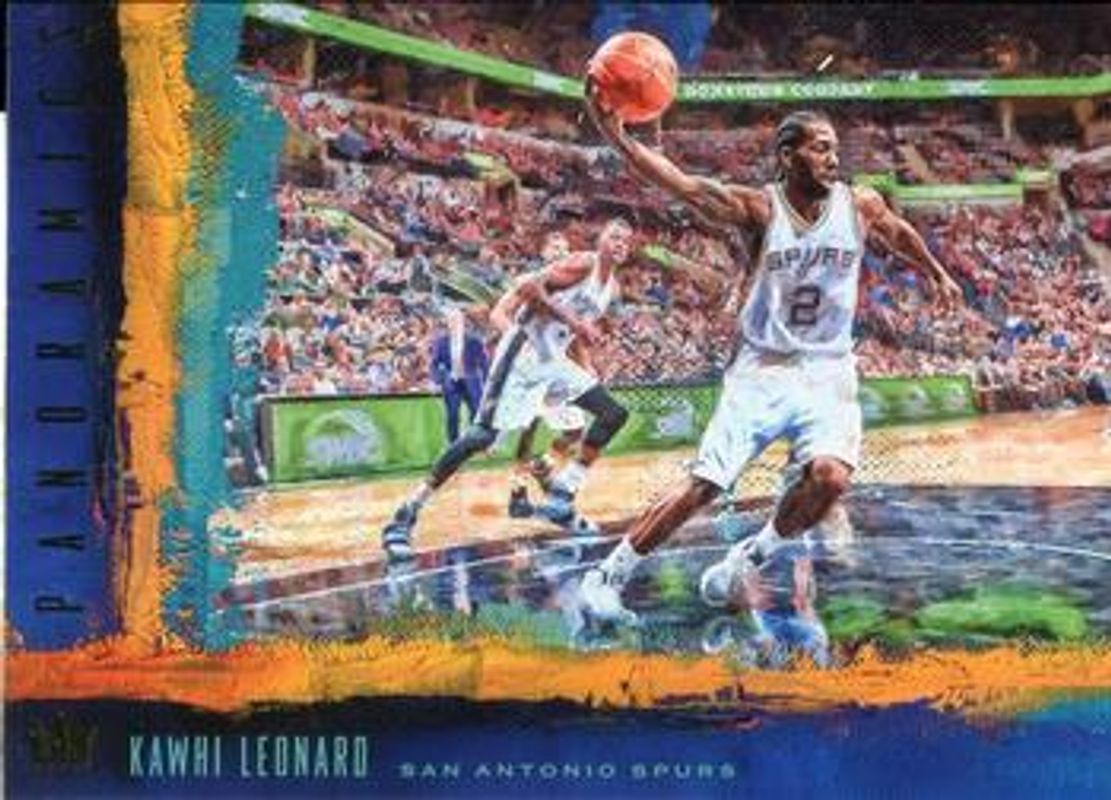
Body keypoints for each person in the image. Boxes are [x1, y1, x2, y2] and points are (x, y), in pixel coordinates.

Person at [579, 92, 963, 623]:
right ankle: (607, 576)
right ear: (787, 156)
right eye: (820, 148)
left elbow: (897, 232)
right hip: (762, 369)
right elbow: (683, 185)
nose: (833, 158)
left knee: (830, 478)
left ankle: (748, 558)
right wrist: (618, 137)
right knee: (705, 486)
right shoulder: (759, 209)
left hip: (829, 368)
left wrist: (936, 272)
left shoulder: (861, 205)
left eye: (834, 149)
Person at [379, 219, 634, 562]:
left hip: (553, 361)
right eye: (614, 236)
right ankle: (405, 514)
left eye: (626, 241)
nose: (620, 244)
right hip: (522, 354)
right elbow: (527, 287)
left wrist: (586, 362)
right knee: (482, 437)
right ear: (600, 239)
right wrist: (573, 323)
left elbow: (571, 334)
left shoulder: (611, 288)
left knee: (613, 413)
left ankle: (562, 494)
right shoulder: (582, 264)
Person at [429, 306, 489, 443]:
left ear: (463, 322)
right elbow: (434, 364)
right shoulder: (441, 342)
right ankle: (453, 445)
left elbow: (484, 364)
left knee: (475, 413)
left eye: (457, 320)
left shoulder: (474, 341)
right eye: (451, 320)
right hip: (451, 383)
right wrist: (438, 379)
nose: (454, 323)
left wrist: (487, 384)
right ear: (448, 323)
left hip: (471, 382)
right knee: (452, 416)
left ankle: (474, 442)